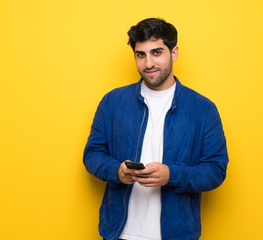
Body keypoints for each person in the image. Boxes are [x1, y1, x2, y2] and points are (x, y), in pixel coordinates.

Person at [83, 18, 229, 240]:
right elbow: (92, 154)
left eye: (157, 52)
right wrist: (117, 171)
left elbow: (215, 171)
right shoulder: (112, 102)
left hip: (177, 234)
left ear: (174, 53)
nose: (148, 63)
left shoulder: (203, 109)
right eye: (141, 54)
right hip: (119, 232)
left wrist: (172, 175)